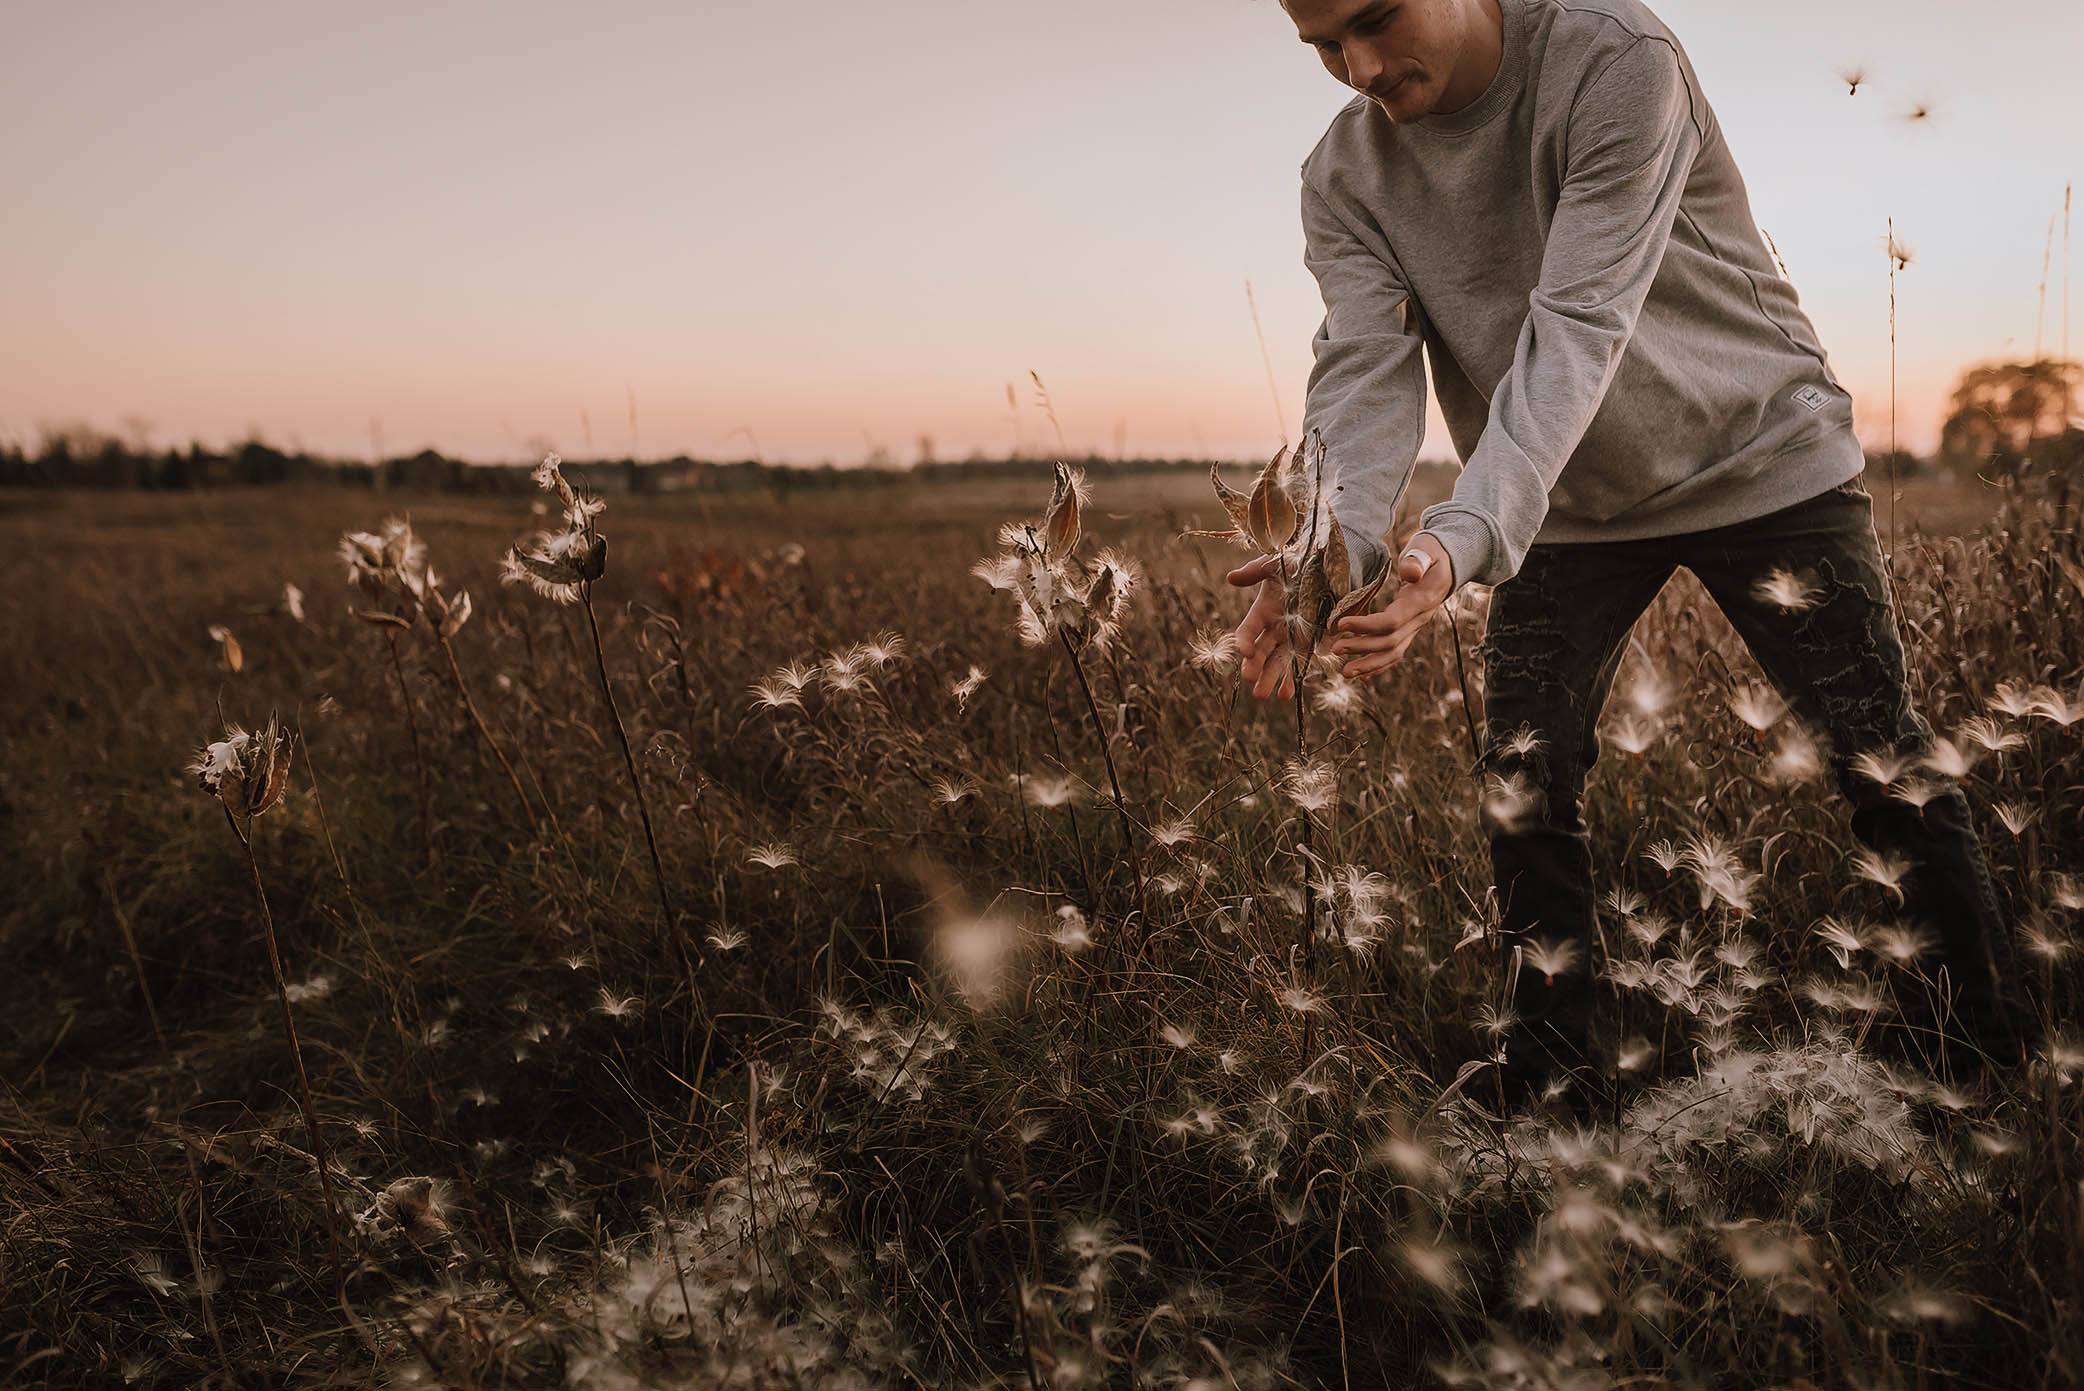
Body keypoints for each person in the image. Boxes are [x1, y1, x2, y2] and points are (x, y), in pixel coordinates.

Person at [1227, 0, 2043, 1109]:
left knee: (1875, 753)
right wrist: (1328, 551)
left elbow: (1576, 325)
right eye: (1322, 45)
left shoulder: (1616, 61)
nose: (1358, 66)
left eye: (1375, 17)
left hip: (1759, 459)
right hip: (1557, 506)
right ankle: (1552, 1085)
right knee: (1522, 775)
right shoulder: (1343, 177)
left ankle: (1985, 1069)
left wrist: (1459, 536)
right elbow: (1363, 371)